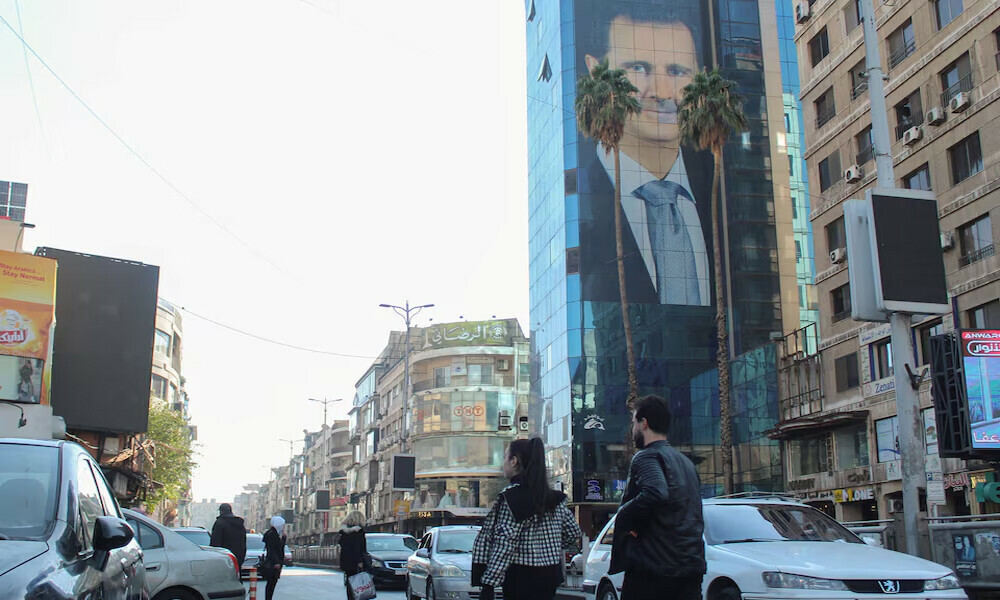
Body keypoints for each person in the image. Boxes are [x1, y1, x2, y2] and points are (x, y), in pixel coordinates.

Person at [577, 0, 713, 307]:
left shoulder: (720, 191)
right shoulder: (580, 200)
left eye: (677, 71)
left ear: (700, 78)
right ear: (597, 71)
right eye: (638, 68)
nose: (662, 92)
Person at [610, 395, 705, 600]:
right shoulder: (687, 463)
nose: (633, 428)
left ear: (644, 424)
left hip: (654, 569)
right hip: (690, 567)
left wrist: (623, 515)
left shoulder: (646, 456)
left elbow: (655, 492)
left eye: (634, 422)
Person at [472, 437, 582, 600]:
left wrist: (488, 584)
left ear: (514, 461)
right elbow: (573, 533)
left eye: (505, 457)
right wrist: (549, 548)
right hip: (549, 576)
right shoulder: (553, 499)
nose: (503, 463)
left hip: (520, 578)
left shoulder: (512, 499)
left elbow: (505, 545)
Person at [338, 511, 369, 599]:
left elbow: (341, 544)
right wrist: (360, 561)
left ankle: (350, 598)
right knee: (359, 582)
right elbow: (360, 547)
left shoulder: (343, 532)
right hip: (356, 561)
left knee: (349, 582)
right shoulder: (358, 532)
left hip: (346, 561)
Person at [262, 515, 286, 600]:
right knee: (271, 583)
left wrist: (283, 539)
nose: (283, 527)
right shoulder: (272, 534)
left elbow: (280, 548)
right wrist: (276, 562)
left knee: (272, 583)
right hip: (273, 562)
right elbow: (272, 550)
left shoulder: (276, 533)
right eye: (282, 525)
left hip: (276, 561)